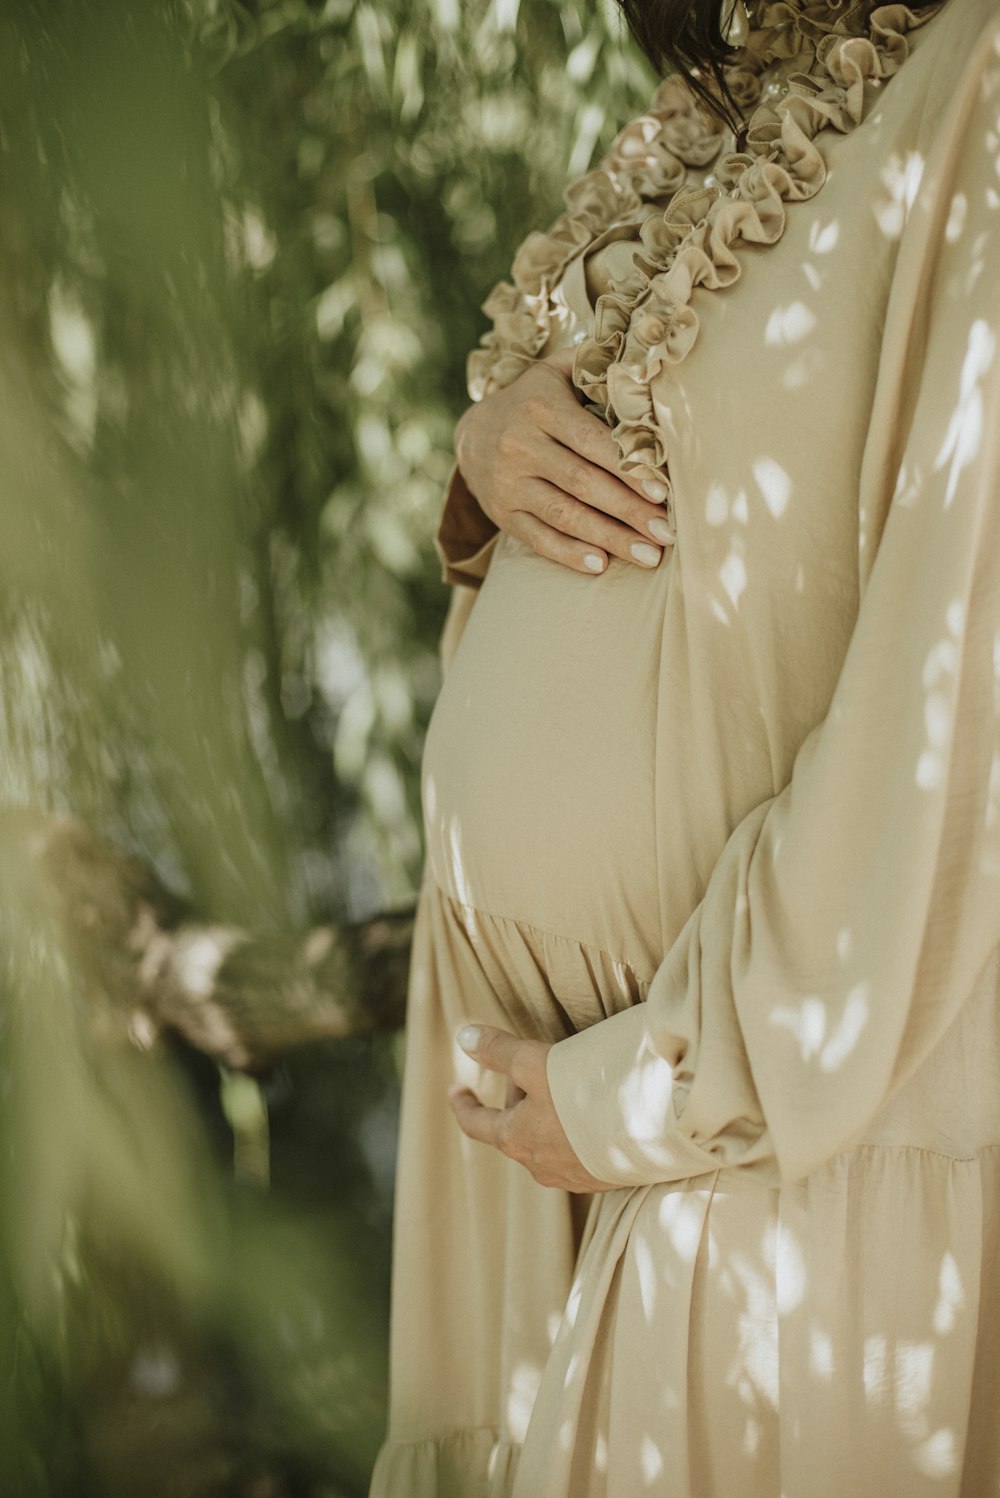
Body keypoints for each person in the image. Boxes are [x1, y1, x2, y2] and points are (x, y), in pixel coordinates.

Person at [369, 0, 1000, 1492]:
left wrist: (653, 1089)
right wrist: (486, 460)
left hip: (763, 1134)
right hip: (533, 1150)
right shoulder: (739, 85)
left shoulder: (978, 75)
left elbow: (953, 686)